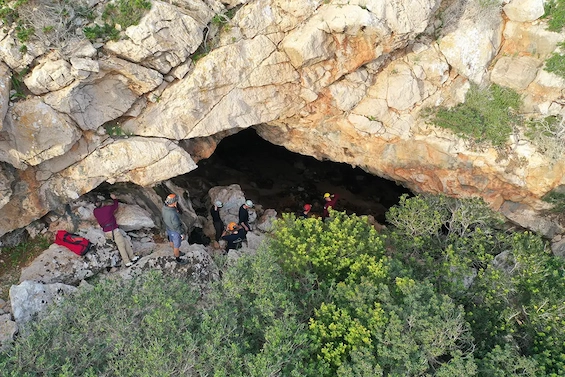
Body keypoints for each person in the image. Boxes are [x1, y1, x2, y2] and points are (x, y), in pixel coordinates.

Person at [94, 193, 139, 267]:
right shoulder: (107, 209)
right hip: (113, 231)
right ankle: (127, 262)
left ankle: (133, 257)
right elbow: (115, 206)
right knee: (121, 245)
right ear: (103, 203)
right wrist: (114, 199)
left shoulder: (95, 212)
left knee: (124, 241)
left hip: (106, 232)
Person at [161, 193, 188, 265]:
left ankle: (176, 252)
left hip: (168, 227)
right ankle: (178, 259)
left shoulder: (164, 208)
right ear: (174, 203)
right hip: (175, 231)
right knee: (177, 245)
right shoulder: (173, 213)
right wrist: (181, 233)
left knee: (171, 240)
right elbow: (176, 225)